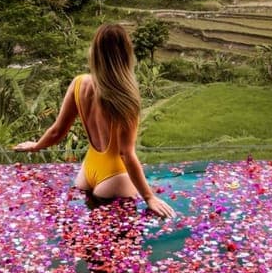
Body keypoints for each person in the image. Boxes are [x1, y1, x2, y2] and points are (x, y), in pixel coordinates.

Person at [14, 23, 175, 219]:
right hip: (115, 178)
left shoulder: (79, 83)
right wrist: (149, 197)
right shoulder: (123, 97)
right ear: (125, 54)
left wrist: (36, 146)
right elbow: (126, 154)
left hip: (87, 171)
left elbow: (57, 131)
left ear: (95, 53)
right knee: (122, 246)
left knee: (95, 241)